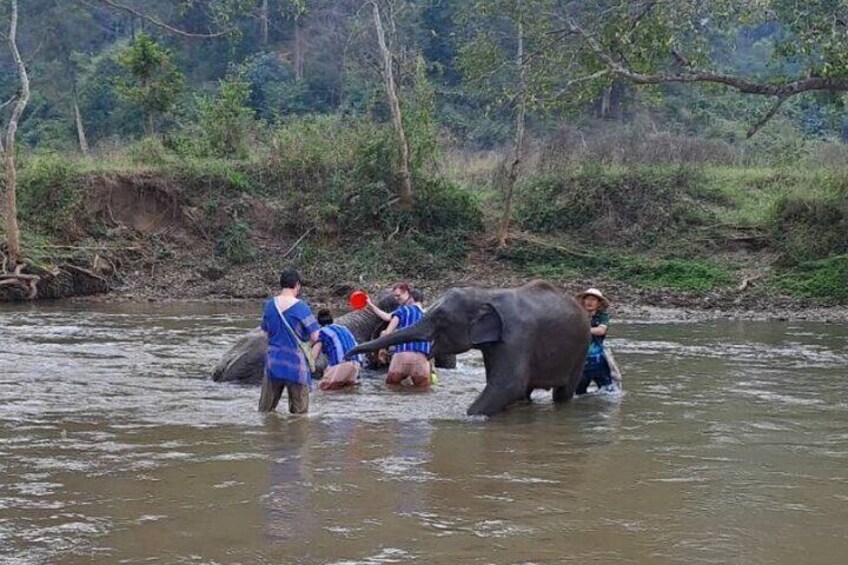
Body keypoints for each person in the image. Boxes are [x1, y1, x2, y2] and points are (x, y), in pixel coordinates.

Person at [258, 270, 320, 413]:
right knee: (300, 416)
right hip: (296, 366)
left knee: (265, 412)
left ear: (282, 285)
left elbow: (264, 334)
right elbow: (316, 337)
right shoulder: (302, 307)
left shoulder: (269, 305)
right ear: (297, 285)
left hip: (274, 363)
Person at [366, 282, 432, 388]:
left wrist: (382, 351)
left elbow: (387, 333)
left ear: (409, 297)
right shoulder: (428, 315)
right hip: (421, 359)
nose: (397, 299)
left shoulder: (403, 311)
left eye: (398, 296)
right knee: (423, 391)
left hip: (402, 356)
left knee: (392, 388)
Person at [575, 287, 619, 394]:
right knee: (579, 394)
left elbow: (601, 331)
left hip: (599, 360)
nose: (590, 302)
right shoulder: (576, 316)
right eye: (588, 299)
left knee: (609, 392)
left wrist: (581, 330)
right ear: (583, 301)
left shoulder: (603, 317)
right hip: (581, 361)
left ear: (598, 303)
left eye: (593, 300)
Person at [313, 308, 364, 391]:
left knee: (322, 391)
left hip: (341, 363)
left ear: (318, 321)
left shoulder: (321, 332)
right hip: (356, 364)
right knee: (347, 392)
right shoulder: (344, 328)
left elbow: (313, 357)